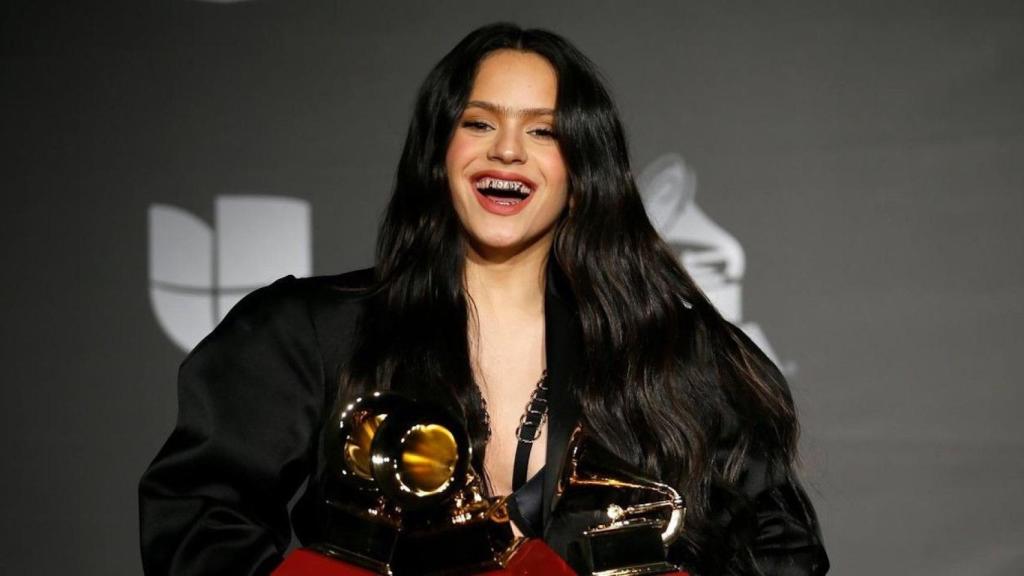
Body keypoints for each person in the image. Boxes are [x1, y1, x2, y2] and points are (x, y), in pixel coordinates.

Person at [139, 23, 829, 576]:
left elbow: (781, 547)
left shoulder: (678, 355)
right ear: (438, 151)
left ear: (582, 170)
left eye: (543, 130)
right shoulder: (307, 333)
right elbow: (197, 516)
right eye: (479, 123)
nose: (507, 151)